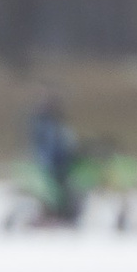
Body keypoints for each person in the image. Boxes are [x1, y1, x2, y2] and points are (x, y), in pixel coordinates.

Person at [28, 95, 83, 224]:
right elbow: (49, 147)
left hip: (57, 163)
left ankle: (59, 213)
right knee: (57, 190)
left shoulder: (53, 126)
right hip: (52, 164)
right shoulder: (47, 126)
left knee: (63, 190)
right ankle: (57, 214)